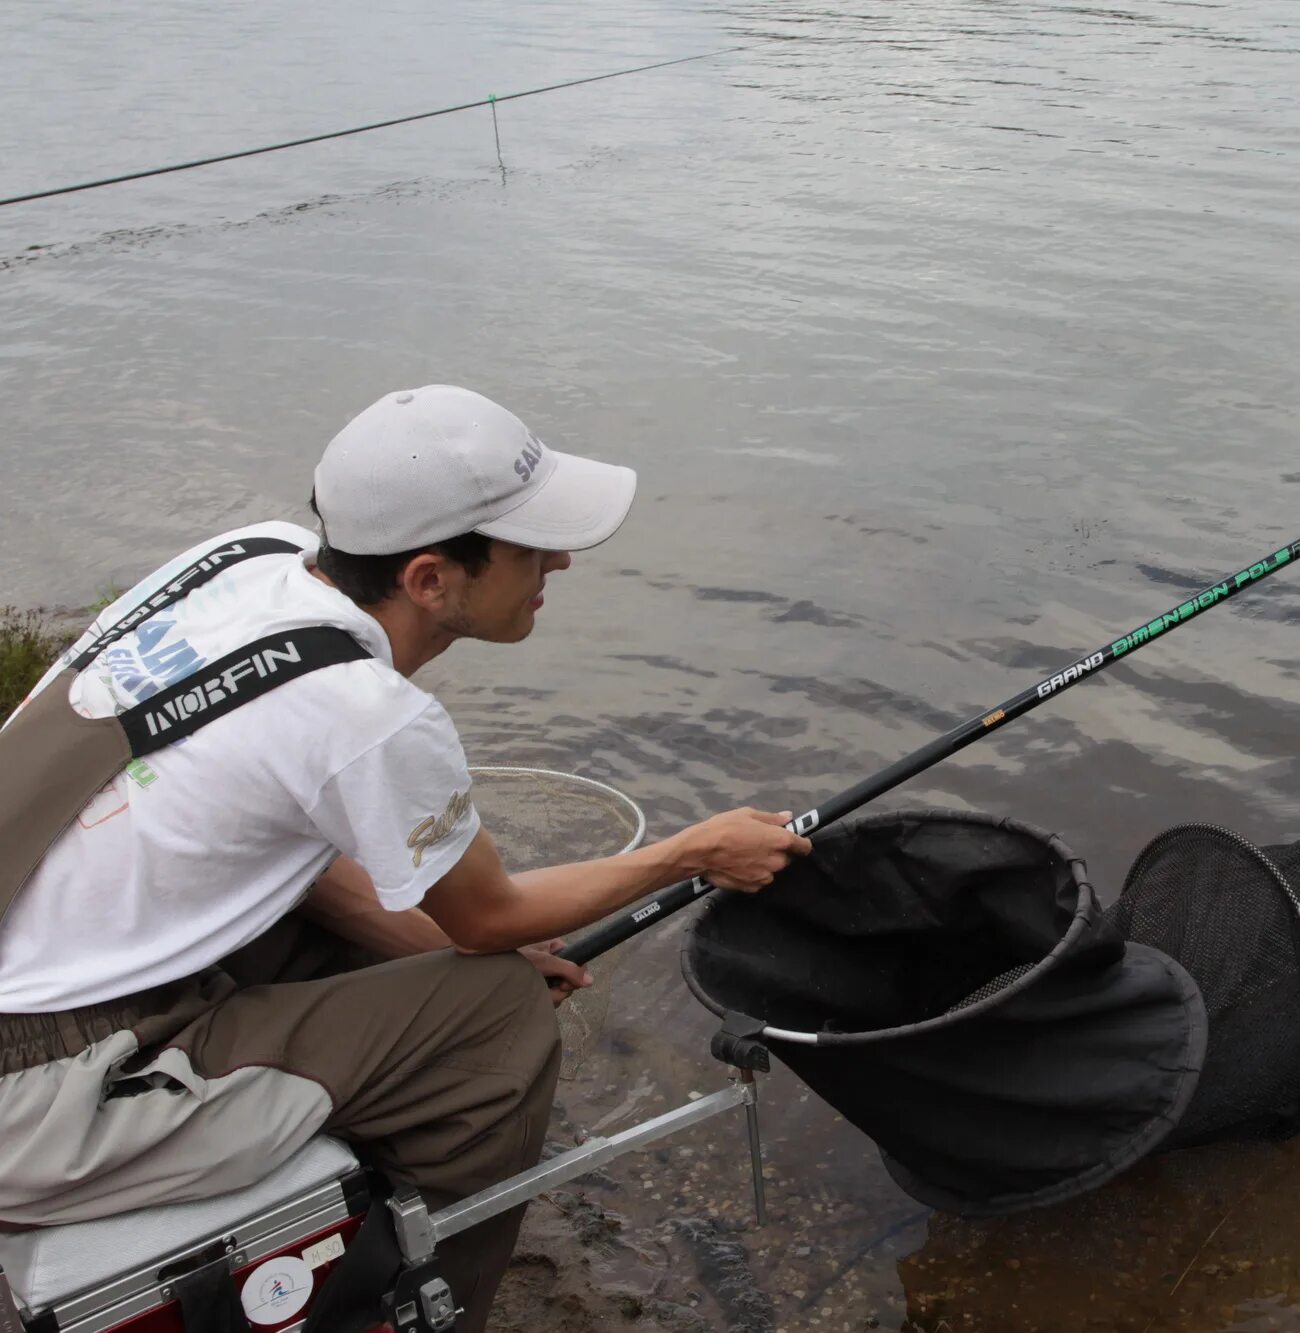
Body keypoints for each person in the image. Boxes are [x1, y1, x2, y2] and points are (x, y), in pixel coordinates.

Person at [0, 385, 811, 1331]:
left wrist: (429, 954)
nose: (558, 560)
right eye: (529, 546)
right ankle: (419, 1299)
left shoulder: (243, 560)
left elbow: (293, 848)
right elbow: (492, 916)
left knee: (447, 965)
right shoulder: (365, 713)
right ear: (430, 578)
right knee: (500, 1012)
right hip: (43, 1095)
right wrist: (694, 851)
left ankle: (343, 1185)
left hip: (42, 963)